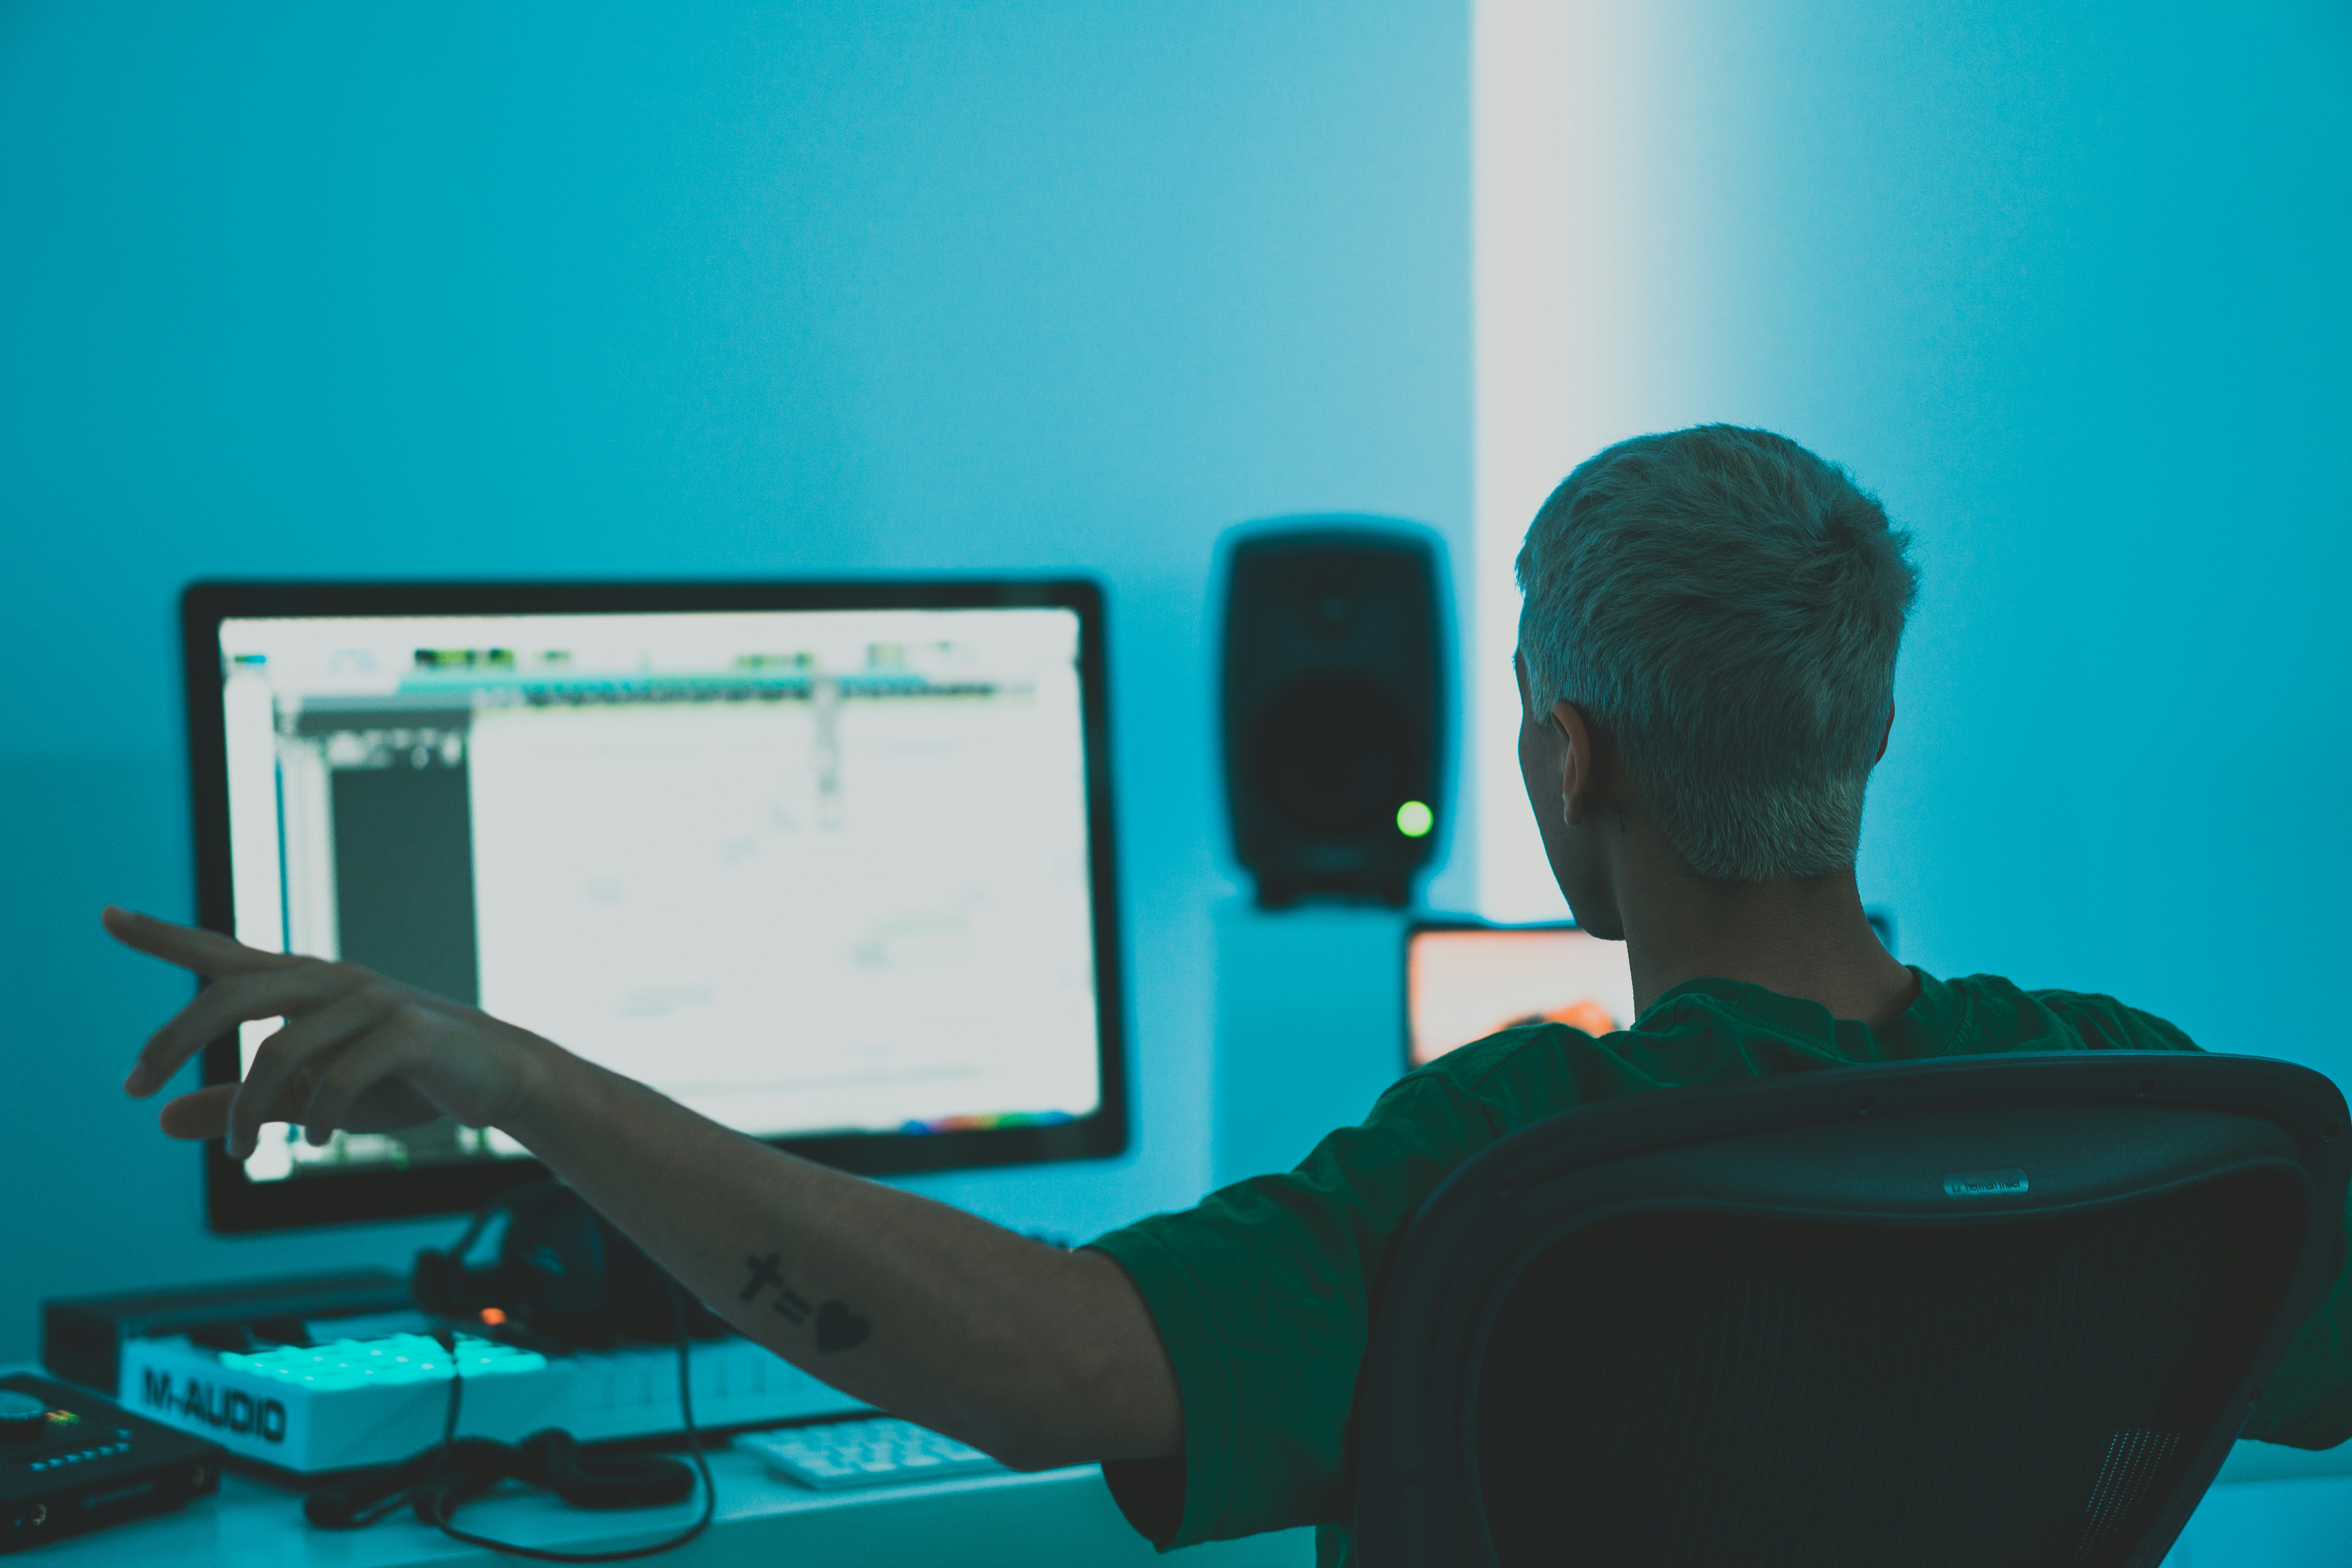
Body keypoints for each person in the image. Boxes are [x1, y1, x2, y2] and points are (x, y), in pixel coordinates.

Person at [106, 425, 2351, 1563]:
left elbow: (1044, 1374)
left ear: (1570, 762)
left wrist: (511, 1071)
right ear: (1866, 733)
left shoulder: (1545, 1161)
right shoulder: (2152, 1109)